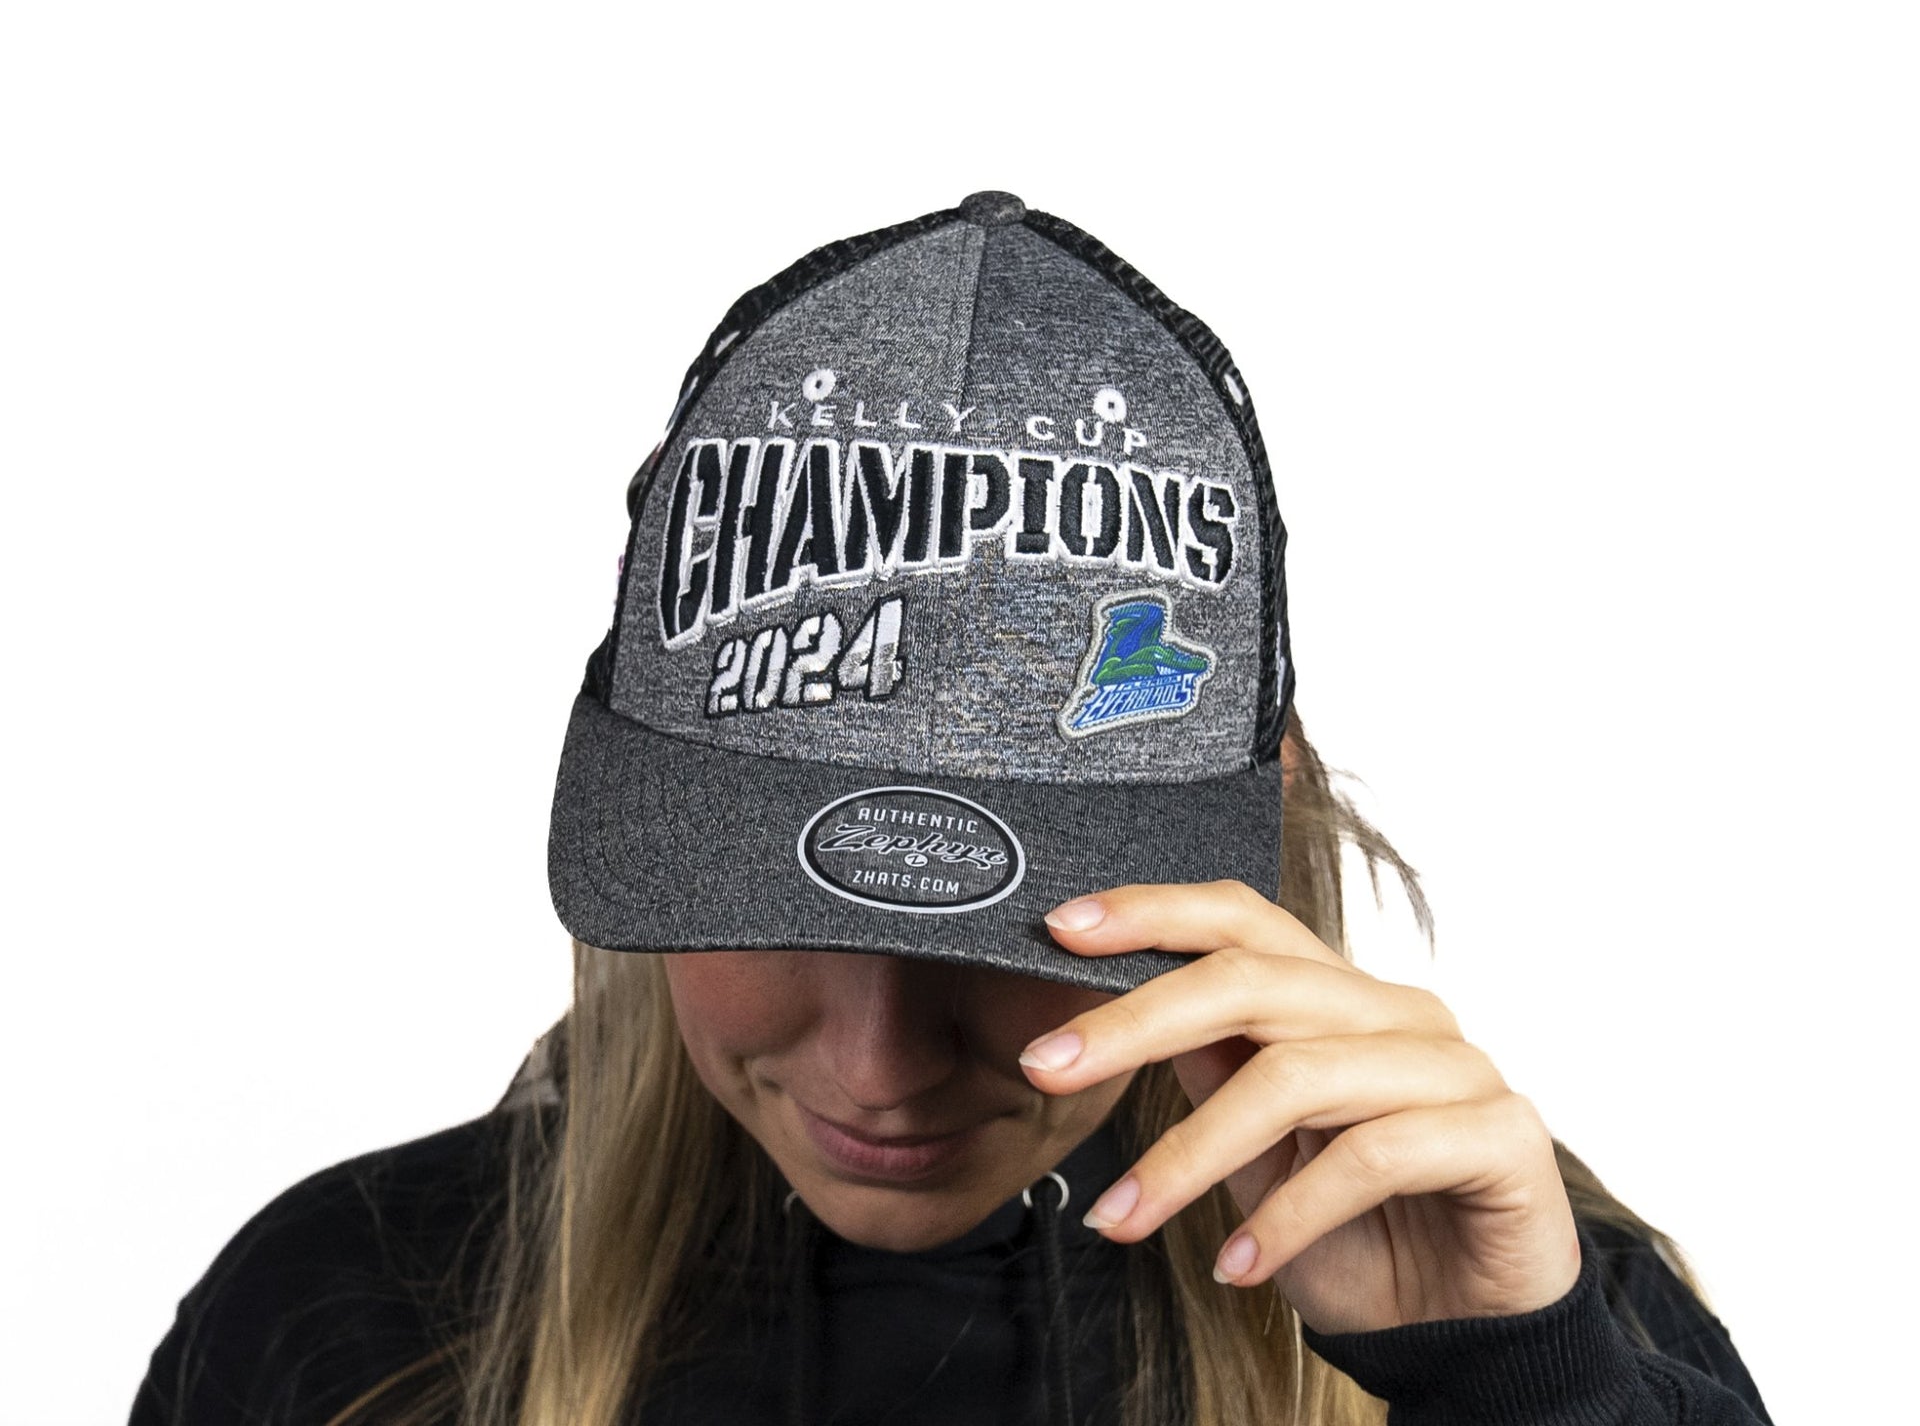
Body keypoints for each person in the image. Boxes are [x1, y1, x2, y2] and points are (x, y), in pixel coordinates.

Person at [130, 190, 1774, 1426]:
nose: (879, 1067)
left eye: (1013, 920)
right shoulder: (343, 1325)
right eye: (776, 897)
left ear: (1242, 831)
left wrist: (1522, 1387)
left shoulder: (1547, 1315)